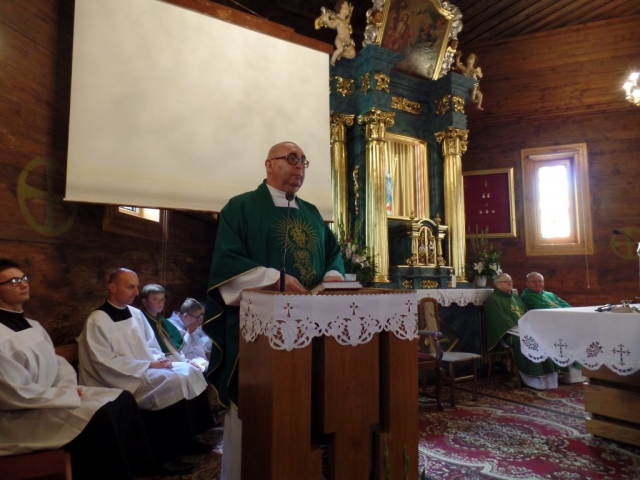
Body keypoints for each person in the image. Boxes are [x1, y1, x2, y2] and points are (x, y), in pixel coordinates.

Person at [203, 141, 345, 479]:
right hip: (258, 334)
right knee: (261, 408)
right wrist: (273, 279)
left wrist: (332, 275)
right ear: (269, 164)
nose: (299, 166)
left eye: (303, 161)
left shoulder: (312, 212)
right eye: (291, 159)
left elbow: (333, 253)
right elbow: (227, 262)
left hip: (311, 325)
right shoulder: (240, 207)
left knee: (308, 403)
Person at [0, 259, 154, 479]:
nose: (24, 284)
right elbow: (13, 391)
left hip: (52, 396)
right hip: (22, 413)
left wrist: (67, 388)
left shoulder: (33, 325)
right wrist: (63, 394)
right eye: (14, 281)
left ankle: (140, 468)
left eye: (24, 278)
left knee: (123, 399)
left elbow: (57, 364)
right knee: (102, 414)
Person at [77, 268, 214, 469]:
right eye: (130, 287)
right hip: (120, 376)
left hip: (146, 366)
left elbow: (150, 344)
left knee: (189, 370)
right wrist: (148, 364)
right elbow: (103, 361)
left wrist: (159, 360)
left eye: (136, 286)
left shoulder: (135, 313)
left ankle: (186, 439)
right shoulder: (97, 320)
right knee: (168, 381)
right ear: (112, 287)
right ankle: (163, 456)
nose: (135, 291)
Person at [483, 273, 560, 390]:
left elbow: (526, 315)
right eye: (506, 281)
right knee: (525, 340)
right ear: (498, 285)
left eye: (511, 281)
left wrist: (530, 327)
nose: (510, 283)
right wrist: (520, 329)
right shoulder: (493, 300)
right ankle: (532, 378)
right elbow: (499, 320)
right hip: (508, 333)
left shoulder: (515, 298)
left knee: (543, 337)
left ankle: (549, 377)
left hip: (523, 329)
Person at [521, 272, 584, 383]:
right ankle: (567, 373)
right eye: (534, 282)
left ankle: (580, 373)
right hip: (545, 326)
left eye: (540, 281)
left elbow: (567, 305)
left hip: (561, 322)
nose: (538, 284)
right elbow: (545, 309)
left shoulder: (549, 294)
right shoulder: (527, 296)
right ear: (527, 283)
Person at [141, 284, 207, 371]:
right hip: (158, 363)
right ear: (145, 302)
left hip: (176, 362)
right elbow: (149, 349)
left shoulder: (164, 323)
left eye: (162, 299)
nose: (160, 303)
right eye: (155, 299)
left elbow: (175, 349)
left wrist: (187, 361)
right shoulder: (142, 321)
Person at [168, 297, 211, 369]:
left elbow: (197, 341)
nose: (200, 320)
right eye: (197, 317)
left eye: (201, 315)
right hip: (189, 362)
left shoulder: (188, 323)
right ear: (185, 316)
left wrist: (206, 351)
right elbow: (181, 351)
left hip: (200, 359)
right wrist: (188, 333)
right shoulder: (171, 326)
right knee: (211, 370)